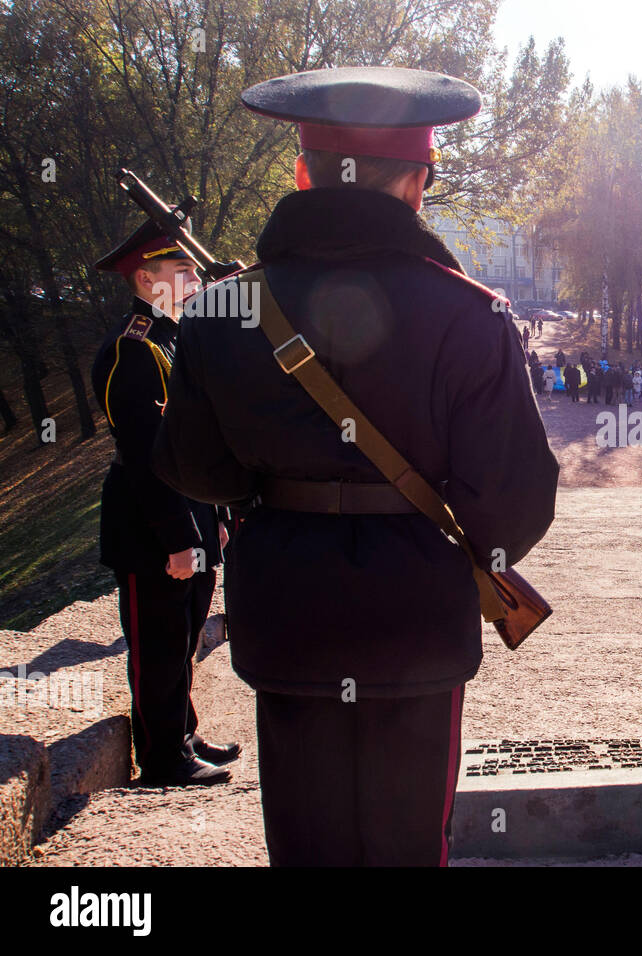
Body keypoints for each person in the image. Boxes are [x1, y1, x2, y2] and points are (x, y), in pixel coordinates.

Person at [150, 66, 559, 865]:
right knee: (409, 845)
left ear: (302, 173)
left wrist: (274, 495)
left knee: (306, 844)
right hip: (416, 614)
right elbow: (514, 499)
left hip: (288, 607)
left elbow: (193, 466)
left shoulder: (219, 311)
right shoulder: (471, 314)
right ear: (417, 184)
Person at [90, 218, 237, 787]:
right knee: (158, 638)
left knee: (185, 631)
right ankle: (161, 757)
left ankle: (182, 731)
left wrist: (216, 517)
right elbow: (148, 454)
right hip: (152, 523)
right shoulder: (134, 350)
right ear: (147, 278)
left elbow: (196, 439)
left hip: (192, 511)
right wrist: (179, 538)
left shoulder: (173, 338)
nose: (196, 277)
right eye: (183, 270)